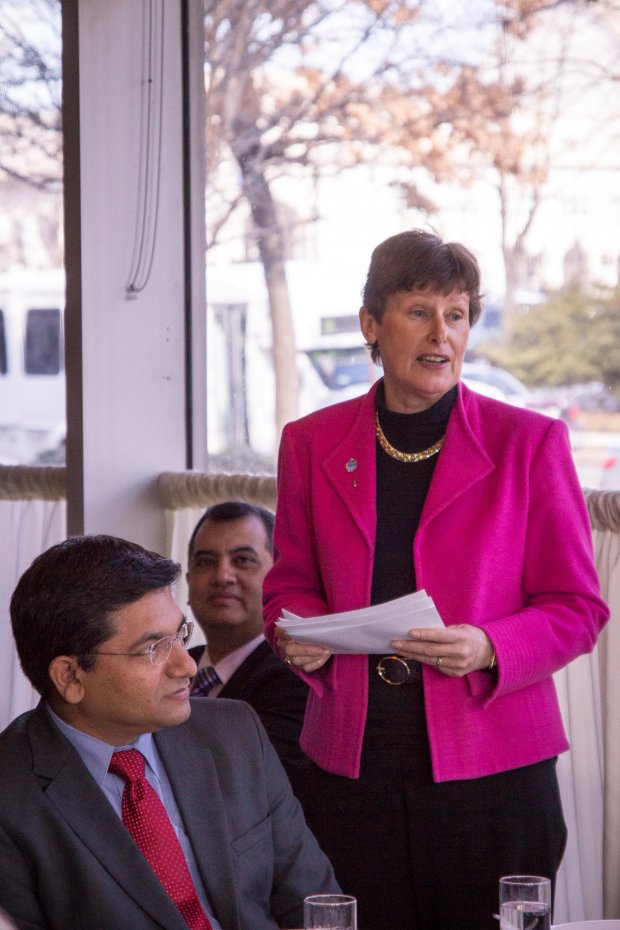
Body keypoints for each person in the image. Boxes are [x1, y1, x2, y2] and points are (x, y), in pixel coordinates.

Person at [263, 229, 609, 930]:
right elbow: (289, 584)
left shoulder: (529, 443)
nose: (441, 333)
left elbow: (577, 607)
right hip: (351, 769)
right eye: (419, 311)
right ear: (371, 323)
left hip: (496, 773)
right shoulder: (310, 440)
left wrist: (488, 645)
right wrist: (295, 633)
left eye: (456, 315)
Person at [0, 534, 338, 930]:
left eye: (180, 635)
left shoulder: (233, 733)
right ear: (70, 676)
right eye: (152, 649)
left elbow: (313, 905)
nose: (188, 667)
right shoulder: (12, 795)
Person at [186, 501, 309, 791]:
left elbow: (244, 787)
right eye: (205, 562)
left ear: (279, 577)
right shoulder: (171, 666)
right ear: (188, 582)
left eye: (243, 560)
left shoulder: (297, 676)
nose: (222, 576)